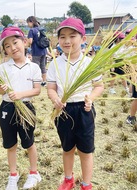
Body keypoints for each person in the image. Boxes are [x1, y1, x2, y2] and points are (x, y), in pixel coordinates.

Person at [47, 17, 104, 190]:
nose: (67, 40)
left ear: (83, 39)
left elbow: (99, 86)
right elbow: (50, 88)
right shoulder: (55, 64)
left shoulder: (89, 63)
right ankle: (68, 179)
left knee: (86, 150)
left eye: (72, 36)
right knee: (67, 148)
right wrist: (55, 98)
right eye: (62, 36)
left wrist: (91, 99)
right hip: (63, 111)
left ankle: (86, 184)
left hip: (84, 110)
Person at [0, 26, 42, 190]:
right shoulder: (3, 68)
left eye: (15, 42)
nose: (12, 48)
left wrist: (21, 94)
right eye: (7, 46)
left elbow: (37, 90)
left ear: (24, 42)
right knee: (10, 145)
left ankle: (34, 173)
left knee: (29, 142)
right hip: (7, 108)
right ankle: (13, 175)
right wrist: (1, 90)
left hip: (26, 108)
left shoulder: (33, 67)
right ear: (5, 50)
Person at [26, 16, 47, 86]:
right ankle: (44, 81)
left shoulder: (31, 30)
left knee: (35, 67)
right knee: (43, 66)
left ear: (31, 22)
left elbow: (30, 41)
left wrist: (25, 44)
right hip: (43, 51)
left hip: (36, 51)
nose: (27, 24)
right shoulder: (41, 29)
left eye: (28, 23)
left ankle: (36, 82)